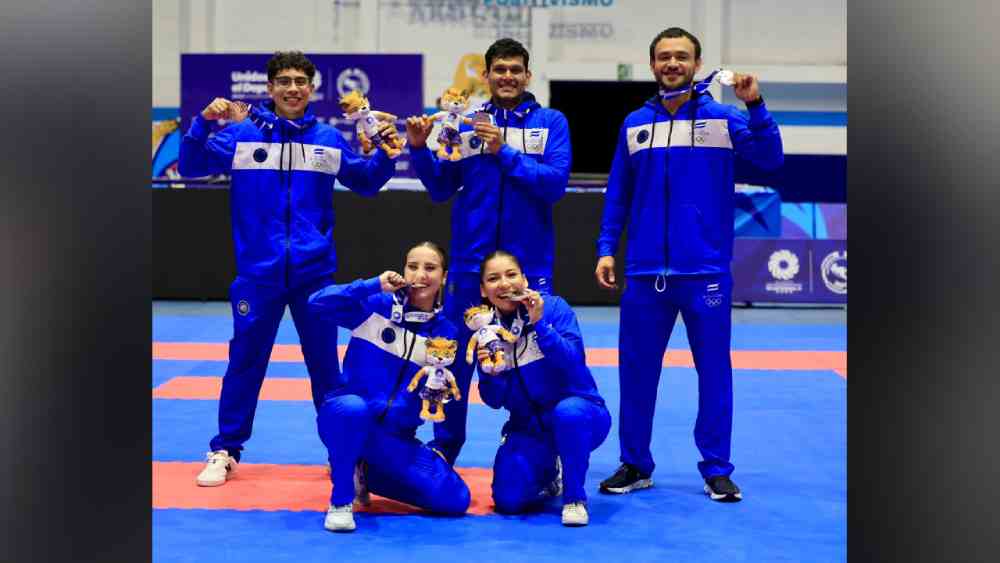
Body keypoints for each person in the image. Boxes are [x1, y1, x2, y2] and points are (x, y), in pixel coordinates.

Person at [178, 51, 399, 488]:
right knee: (244, 362)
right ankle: (225, 449)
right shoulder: (242, 136)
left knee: (324, 367)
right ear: (271, 88)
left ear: (311, 88)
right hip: (257, 274)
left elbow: (367, 182)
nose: (293, 88)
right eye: (284, 81)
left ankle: (342, 452)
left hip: (313, 274)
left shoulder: (328, 140)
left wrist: (388, 153)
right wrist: (202, 123)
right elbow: (190, 165)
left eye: (301, 80)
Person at [595, 27, 784, 502]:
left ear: (697, 64)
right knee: (636, 372)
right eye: (664, 57)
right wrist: (604, 247)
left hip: (705, 273)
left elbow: (770, 157)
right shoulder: (634, 123)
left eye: (681, 56)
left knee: (714, 373)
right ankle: (635, 463)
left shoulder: (724, 118)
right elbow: (618, 193)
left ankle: (717, 468)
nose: (672, 63)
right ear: (653, 64)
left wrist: (755, 106)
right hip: (644, 273)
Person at [404, 38, 572, 466]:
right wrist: (420, 150)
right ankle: (445, 447)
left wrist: (504, 151)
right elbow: (441, 188)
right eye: (500, 69)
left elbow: (553, 184)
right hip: (468, 269)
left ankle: (536, 445)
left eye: (516, 69)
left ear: (528, 76)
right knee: (454, 359)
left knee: (531, 359)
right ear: (487, 76)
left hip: (526, 269)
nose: (508, 77)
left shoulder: (551, 123)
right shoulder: (465, 124)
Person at [310, 242, 471, 532]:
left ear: (444, 277)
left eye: (430, 268)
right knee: (351, 408)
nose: (420, 274)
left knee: (456, 499)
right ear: (403, 270)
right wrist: (371, 285)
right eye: (413, 266)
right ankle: (342, 499)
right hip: (347, 419)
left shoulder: (447, 333)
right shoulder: (376, 306)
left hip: (395, 440)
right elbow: (317, 302)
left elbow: (443, 400)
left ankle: (363, 471)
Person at [474, 250, 610, 527]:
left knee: (568, 413)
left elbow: (573, 363)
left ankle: (574, 497)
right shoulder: (486, 332)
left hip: (582, 415)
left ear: (524, 279)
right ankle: (549, 472)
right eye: (493, 278)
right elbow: (493, 400)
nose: (504, 284)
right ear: (484, 290)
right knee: (508, 500)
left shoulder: (554, 308)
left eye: (511, 275)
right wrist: (491, 373)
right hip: (528, 429)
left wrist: (540, 325)